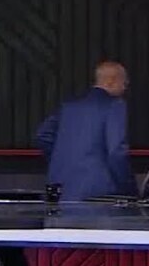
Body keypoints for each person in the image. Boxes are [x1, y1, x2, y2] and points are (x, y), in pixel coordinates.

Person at [35, 61, 135, 201]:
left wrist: (64, 160)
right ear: (112, 81)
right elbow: (116, 152)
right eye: (124, 84)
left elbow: (42, 135)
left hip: (60, 192)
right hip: (98, 196)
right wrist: (130, 189)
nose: (124, 89)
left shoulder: (69, 106)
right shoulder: (114, 105)